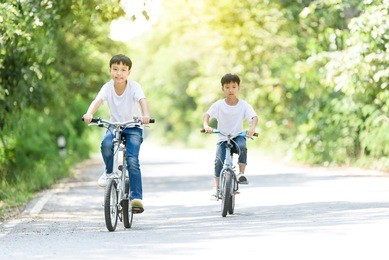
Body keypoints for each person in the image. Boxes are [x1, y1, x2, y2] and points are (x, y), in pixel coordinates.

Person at [83, 54, 151, 213]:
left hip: (133, 126)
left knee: (132, 160)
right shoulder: (107, 87)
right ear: (110, 71)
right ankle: (109, 172)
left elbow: (142, 100)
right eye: (115, 69)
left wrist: (146, 115)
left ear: (128, 72)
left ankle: (136, 198)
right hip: (115, 125)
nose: (119, 73)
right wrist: (89, 113)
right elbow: (98, 100)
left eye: (123, 70)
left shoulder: (135, 87)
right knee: (106, 144)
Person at [203, 73, 258, 198]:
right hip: (223, 137)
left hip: (237, 135)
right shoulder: (219, 105)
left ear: (238, 88)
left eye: (233, 87)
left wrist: (252, 128)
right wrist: (206, 125)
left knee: (242, 146)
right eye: (227, 87)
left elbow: (254, 117)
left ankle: (241, 173)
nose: (230, 90)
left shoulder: (243, 105)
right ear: (223, 89)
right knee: (218, 161)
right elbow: (207, 115)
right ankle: (216, 187)